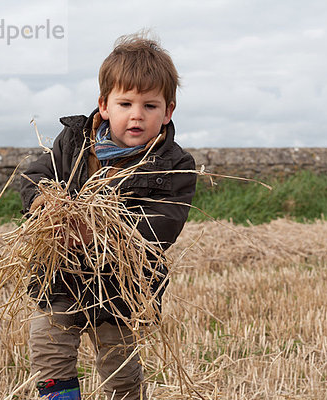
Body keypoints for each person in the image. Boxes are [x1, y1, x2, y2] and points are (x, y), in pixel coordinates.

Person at [20, 32, 196, 400]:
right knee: (48, 348)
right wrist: (44, 204)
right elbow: (35, 176)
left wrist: (96, 230)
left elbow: (161, 225)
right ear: (104, 105)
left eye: (150, 106)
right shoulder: (72, 142)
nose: (137, 114)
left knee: (119, 371)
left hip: (121, 286)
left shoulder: (174, 165)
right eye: (125, 103)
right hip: (60, 275)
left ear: (168, 111)